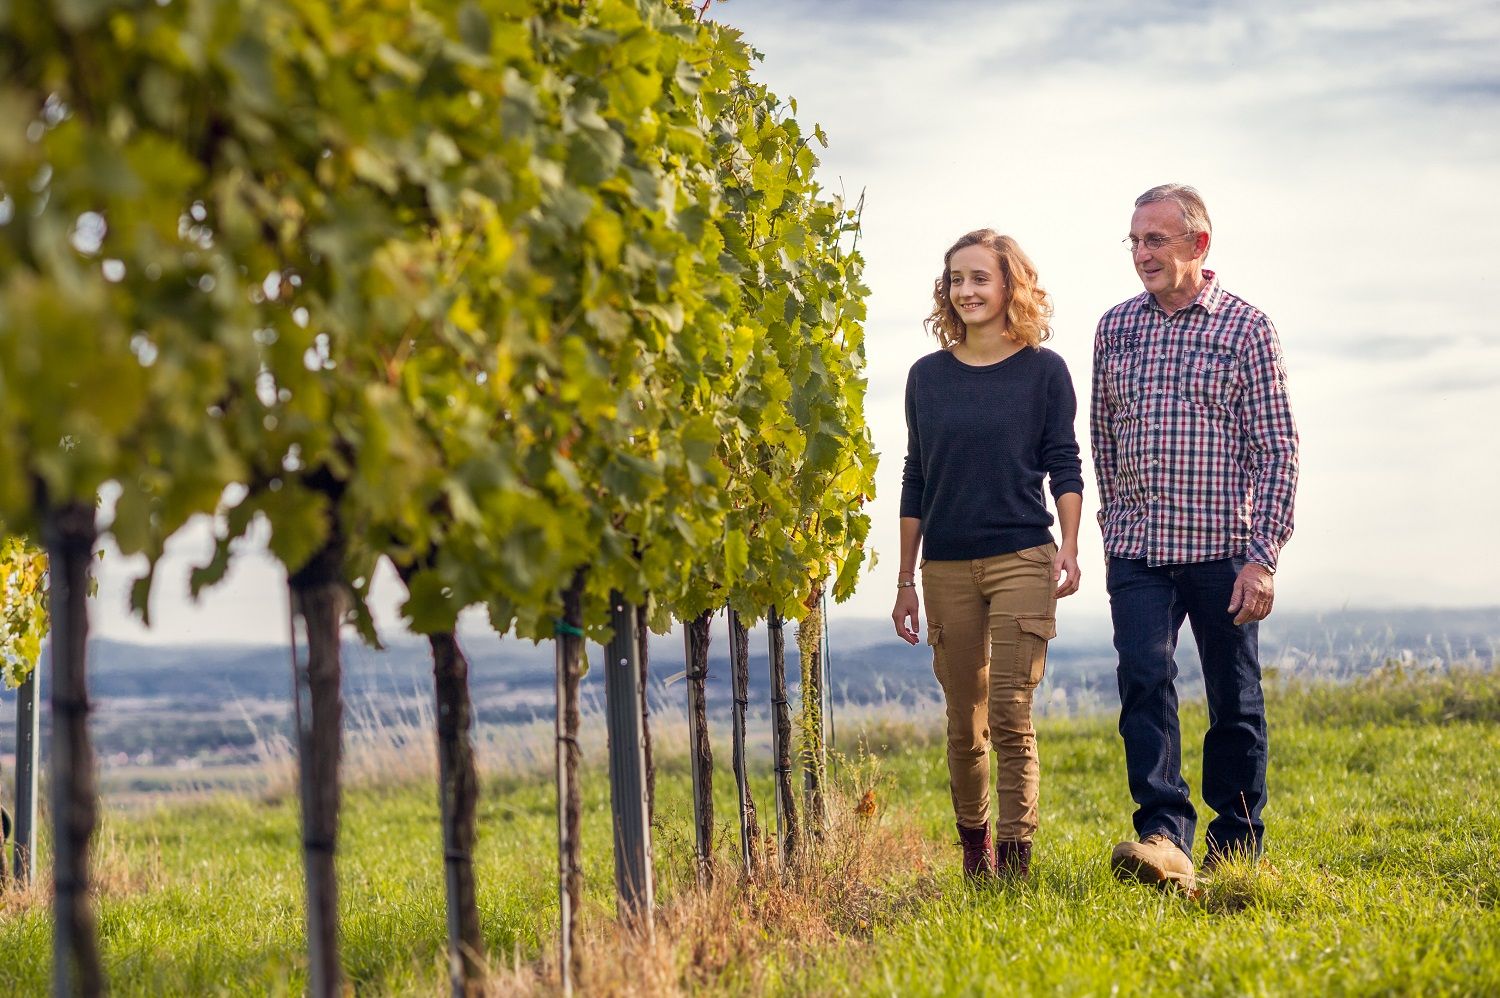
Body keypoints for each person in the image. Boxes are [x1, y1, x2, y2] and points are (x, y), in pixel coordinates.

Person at [1092, 184, 1299, 890]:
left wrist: (1263, 557)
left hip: (1224, 552)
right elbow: (1104, 437)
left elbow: (1277, 450)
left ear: (1198, 245)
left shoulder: (1246, 329)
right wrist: (1114, 525)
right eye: (1135, 241)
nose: (1143, 254)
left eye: (1157, 240)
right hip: (1139, 550)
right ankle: (1163, 837)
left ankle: (1235, 848)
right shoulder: (1115, 328)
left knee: (1233, 700)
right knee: (1145, 682)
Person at [892, 229, 1084, 881]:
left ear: (1010, 286)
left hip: (1023, 557)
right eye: (955, 279)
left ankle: (1017, 857)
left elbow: (1064, 462)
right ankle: (975, 852)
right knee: (963, 720)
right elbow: (916, 476)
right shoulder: (927, 377)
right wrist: (903, 580)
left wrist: (1073, 547)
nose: (966, 290)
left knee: (1009, 712)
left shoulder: (1044, 371)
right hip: (943, 567)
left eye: (979, 278)